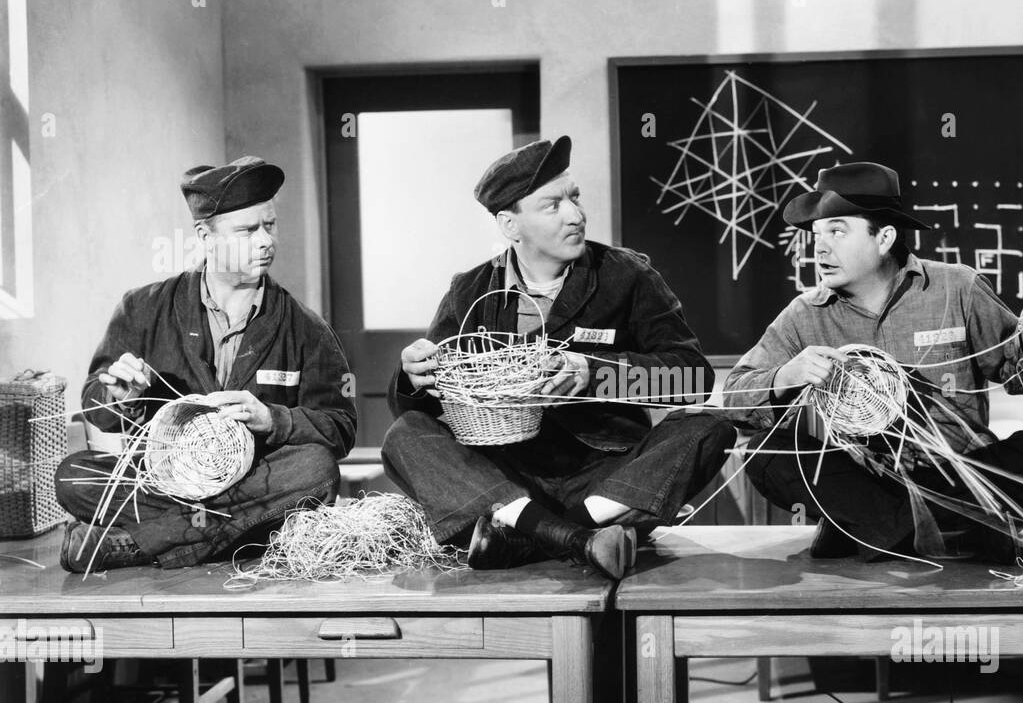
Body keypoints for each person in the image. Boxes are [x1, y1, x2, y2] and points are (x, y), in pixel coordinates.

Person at [382, 135, 734, 579]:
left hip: (606, 477)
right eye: (553, 206)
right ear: (511, 226)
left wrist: (594, 374)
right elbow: (429, 409)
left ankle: (531, 537)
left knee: (712, 426)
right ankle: (580, 540)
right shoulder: (468, 291)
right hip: (509, 480)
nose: (576, 215)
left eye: (575, 198)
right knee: (404, 435)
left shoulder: (627, 276)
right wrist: (412, 376)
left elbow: (691, 381)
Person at [724, 161, 1023, 562]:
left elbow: (1017, 377)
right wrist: (783, 376)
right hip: (867, 479)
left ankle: (882, 529)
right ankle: (965, 527)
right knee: (766, 452)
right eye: (817, 236)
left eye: (837, 232)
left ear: (884, 238)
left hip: (962, 470)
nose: (819, 249)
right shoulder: (805, 314)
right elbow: (735, 396)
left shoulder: (956, 287)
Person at [55, 156, 356, 572]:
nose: (266, 240)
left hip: (255, 480)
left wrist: (273, 419)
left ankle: (137, 544)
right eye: (248, 230)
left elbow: (340, 427)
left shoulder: (306, 327)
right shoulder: (142, 308)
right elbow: (94, 407)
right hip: (164, 486)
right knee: (74, 476)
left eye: (270, 225)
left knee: (316, 469)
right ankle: (221, 535)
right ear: (205, 235)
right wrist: (117, 397)